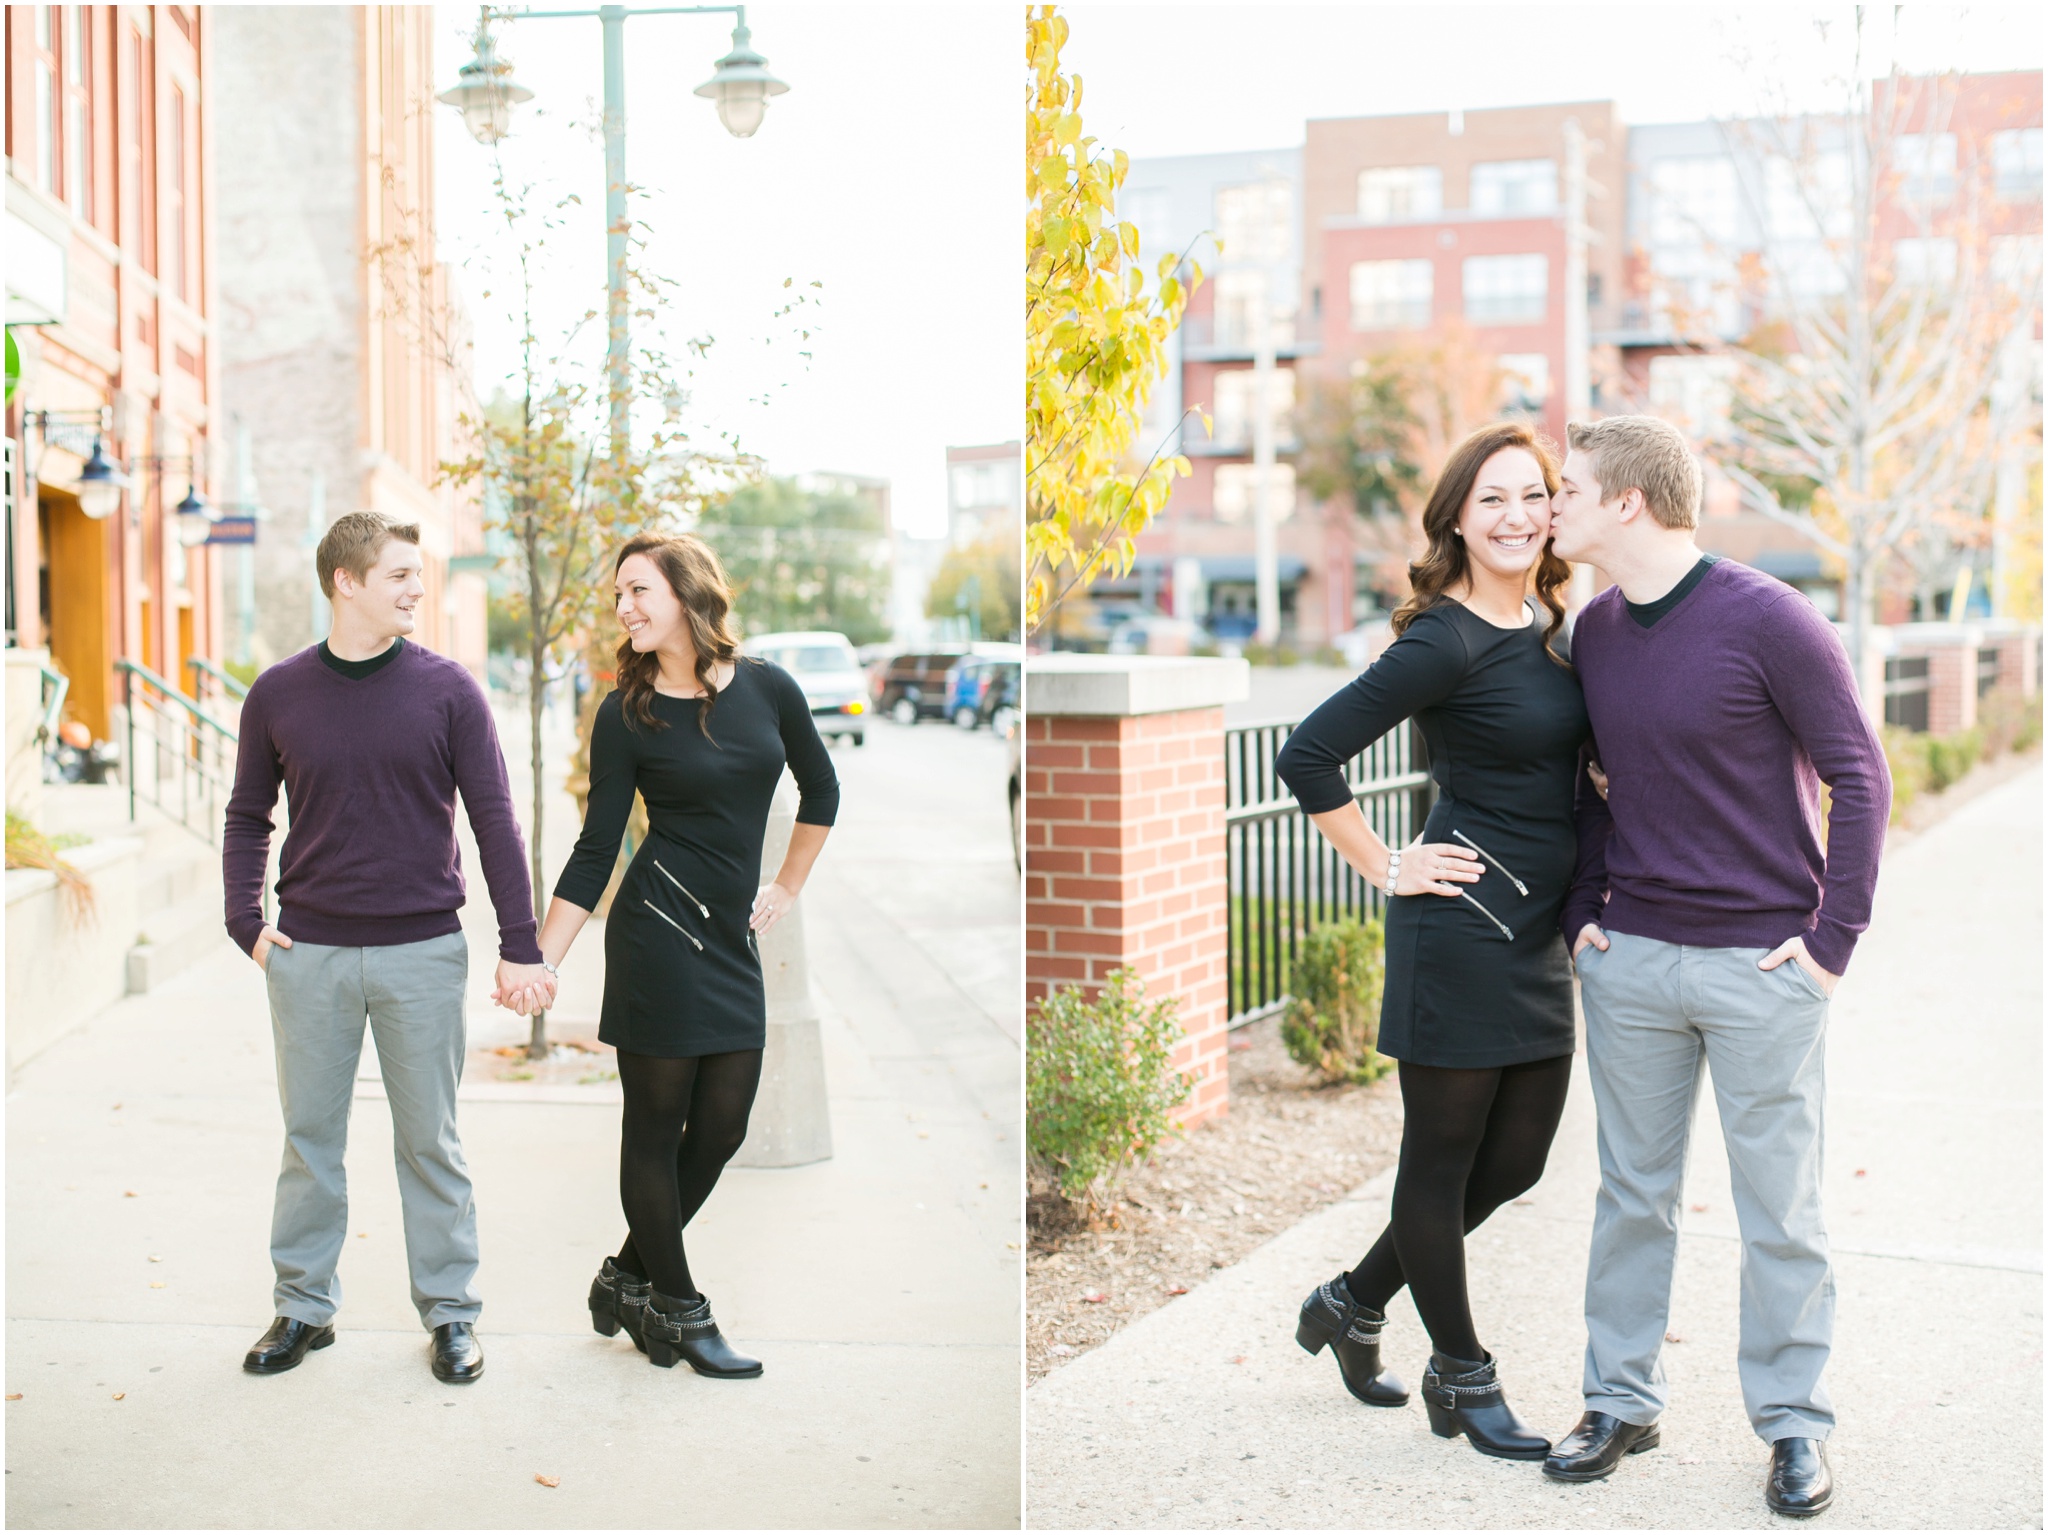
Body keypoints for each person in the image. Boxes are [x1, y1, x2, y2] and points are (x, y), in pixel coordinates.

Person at [1543, 416, 1889, 1518]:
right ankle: (1618, 1401)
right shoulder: (1592, 630)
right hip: (1631, 960)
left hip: (1761, 965)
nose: (1553, 506)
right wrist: (1581, 914)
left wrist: (1829, 945)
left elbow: (1859, 778)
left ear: (1627, 503)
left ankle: (1791, 1425)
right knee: (1630, 1199)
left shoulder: (1769, 620)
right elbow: (1591, 781)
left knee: (1778, 1210)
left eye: (1567, 488)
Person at [1279, 421, 1589, 1461]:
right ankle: (1460, 1373)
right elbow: (1308, 753)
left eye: (1532, 495)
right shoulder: (1441, 639)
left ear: (1554, 511)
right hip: (1456, 932)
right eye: (1490, 498)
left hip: (1533, 935)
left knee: (1513, 1164)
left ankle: (1351, 1298)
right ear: (1456, 517)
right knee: (1439, 1157)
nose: (1514, 515)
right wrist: (1384, 861)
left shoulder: (1550, 622)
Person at [224, 512, 554, 1384]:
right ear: (346, 580)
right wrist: (242, 920)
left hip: (422, 950)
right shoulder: (279, 693)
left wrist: (518, 944)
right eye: (401, 573)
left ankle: (450, 1314)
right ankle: (303, 1306)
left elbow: (494, 822)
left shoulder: (449, 691)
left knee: (430, 1142)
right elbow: (246, 815)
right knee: (310, 1139)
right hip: (310, 952)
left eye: (420, 573)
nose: (418, 588)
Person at [512, 531, 838, 1377]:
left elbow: (823, 786)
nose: (623, 608)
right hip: (656, 933)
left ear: (686, 590)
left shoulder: (769, 688)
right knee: (654, 1131)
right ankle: (680, 1311)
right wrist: (541, 959)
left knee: (722, 1128)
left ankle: (625, 1277)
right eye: (618, 594)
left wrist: (788, 883)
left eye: (637, 590)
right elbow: (596, 850)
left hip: (730, 939)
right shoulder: (627, 713)